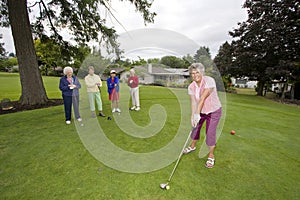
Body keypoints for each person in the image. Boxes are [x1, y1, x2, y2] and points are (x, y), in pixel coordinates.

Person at [183, 63, 222, 169]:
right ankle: (192, 146)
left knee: (210, 133)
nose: (195, 75)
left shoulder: (209, 81)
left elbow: (202, 98)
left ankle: (211, 155)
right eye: (192, 73)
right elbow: (193, 102)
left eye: (197, 72)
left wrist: (197, 114)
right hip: (201, 111)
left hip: (213, 111)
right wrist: (193, 116)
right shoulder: (191, 86)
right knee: (195, 128)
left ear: (202, 72)